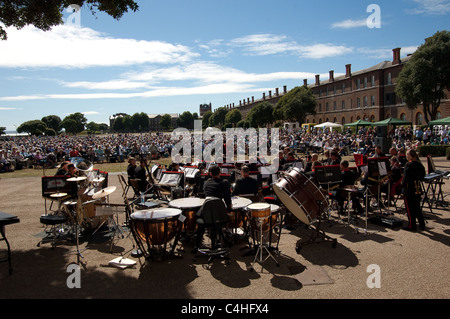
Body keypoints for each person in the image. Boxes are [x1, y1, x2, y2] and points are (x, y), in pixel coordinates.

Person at [192, 165, 232, 253]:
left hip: (207, 216)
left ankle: (197, 244)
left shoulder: (206, 183)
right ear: (220, 173)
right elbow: (227, 199)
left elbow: (203, 195)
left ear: (210, 174)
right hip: (220, 216)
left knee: (201, 220)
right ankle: (222, 240)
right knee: (225, 217)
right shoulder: (224, 183)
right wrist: (229, 209)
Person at [402, 149, 426, 231]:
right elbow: (423, 176)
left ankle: (412, 225)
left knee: (410, 208)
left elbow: (405, 179)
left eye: (407, 154)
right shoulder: (419, 164)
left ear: (410, 155)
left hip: (410, 188)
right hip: (417, 187)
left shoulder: (408, 165)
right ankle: (421, 223)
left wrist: (403, 187)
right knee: (417, 207)